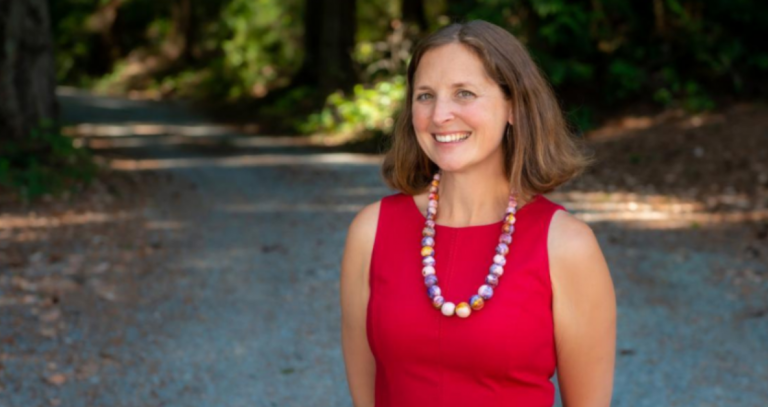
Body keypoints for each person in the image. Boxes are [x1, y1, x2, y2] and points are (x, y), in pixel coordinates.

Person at [340, 20, 615, 407]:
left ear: (514, 107)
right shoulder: (371, 231)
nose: (439, 115)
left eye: (464, 93)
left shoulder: (566, 245)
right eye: (425, 96)